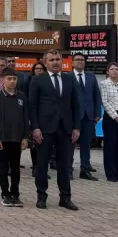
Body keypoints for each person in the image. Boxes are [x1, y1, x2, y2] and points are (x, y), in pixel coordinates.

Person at [27, 49, 80, 210]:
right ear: (45, 62)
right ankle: (41, 196)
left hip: (65, 128)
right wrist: (35, 128)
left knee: (64, 165)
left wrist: (76, 127)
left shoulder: (70, 79)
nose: (56, 62)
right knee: (42, 164)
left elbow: (76, 105)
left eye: (58, 59)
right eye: (52, 60)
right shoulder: (37, 80)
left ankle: (65, 197)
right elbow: (32, 106)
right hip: (44, 129)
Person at [0, 68, 30, 207]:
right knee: (3, 167)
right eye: (9, 79)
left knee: (15, 168)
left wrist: (25, 137)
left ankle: (15, 194)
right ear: (3, 80)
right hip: (3, 138)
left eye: (14, 79)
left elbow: (26, 118)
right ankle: (5, 194)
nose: (12, 81)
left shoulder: (22, 97)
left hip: (17, 138)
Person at [69, 53, 101, 181]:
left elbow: (96, 96)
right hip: (73, 116)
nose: (80, 62)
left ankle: (85, 170)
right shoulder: (67, 76)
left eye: (82, 60)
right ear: (72, 62)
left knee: (86, 145)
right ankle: (68, 170)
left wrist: (97, 113)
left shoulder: (91, 77)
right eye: (77, 60)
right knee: (70, 145)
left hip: (88, 115)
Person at [98, 62, 118, 182]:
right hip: (110, 117)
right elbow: (104, 101)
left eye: (117, 69)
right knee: (110, 146)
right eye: (112, 69)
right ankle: (110, 174)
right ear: (107, 72)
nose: (114, 71)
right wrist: (116, 116)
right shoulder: (103, 84)